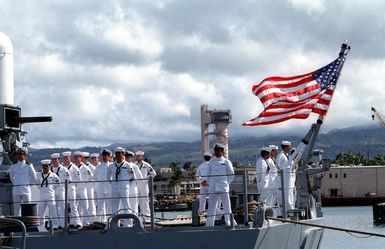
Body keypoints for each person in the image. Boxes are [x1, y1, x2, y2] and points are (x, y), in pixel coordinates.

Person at [205, 143, 235, 227]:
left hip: (223, 187)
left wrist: (226, 183)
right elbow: (208, 174)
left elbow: (231, 174)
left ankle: (229, 222)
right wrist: (209, 183)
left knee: (227, 206)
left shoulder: (226, 161)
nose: (216, 152)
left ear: (222, 151)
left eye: (218, 151)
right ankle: (209, 224)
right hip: (213, 187)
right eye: (215, 151)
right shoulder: (211, 162)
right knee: (211, 207)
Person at [107, 147, 136, 227]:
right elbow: (108, 178)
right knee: (114, 208)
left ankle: (128, 225)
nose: (119, 155)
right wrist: (113, 185)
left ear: (123, 154)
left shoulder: (128, 165)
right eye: (117, 153)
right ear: (115, 154)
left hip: (124, 188)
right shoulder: (111, 166)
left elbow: (133, 177)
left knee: (126, 207)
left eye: (120, 153)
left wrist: (127, 185)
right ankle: (115, 225)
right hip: (115, 188)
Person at [9, 147, 37, 216]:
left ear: (25, 155)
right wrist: (15, 184)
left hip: (26, 189)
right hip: (16, 190)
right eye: (19, 154)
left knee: (27, 208)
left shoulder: (29, 165)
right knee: (16, 210)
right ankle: (18, 225)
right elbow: (11, 177)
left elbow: (34, 177)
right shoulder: (13, 166)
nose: (20, 155)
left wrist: (28, 185)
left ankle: (27, 225)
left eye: (22, 154)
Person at [37, 159, 60, 230]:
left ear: (49, 166)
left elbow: (58, 184)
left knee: (53, 211)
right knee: (41, 212)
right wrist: (41, 189)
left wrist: (52, 190)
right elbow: (37, 183)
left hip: (50, 196)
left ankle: (55, 224)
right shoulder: (39, 175)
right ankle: (41, 225)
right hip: (42, 196)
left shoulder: (53, 175)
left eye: (46, 166)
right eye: (44, 166)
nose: (45, 167)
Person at [62, 151, 82, 228]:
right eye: (64, 158)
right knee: (63, 206)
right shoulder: (62, 167)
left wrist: (75, 188)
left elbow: (79, 180)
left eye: (67, 157)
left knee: (73, 205)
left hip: (72, 187)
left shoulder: (74, 168)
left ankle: (77, 222)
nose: (66, 159)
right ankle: (67, 222)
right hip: (64, 188)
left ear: (70, 158)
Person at [50, 153, 70, 229]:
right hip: (53, 190)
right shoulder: (50, 169)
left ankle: (63, 223)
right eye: (53, 159)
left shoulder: (64, 169)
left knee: (62, 208)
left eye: (56, 159)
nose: (55, 161)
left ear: (59, 159)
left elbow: (68, 180)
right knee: (53, 208)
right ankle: (55, 224)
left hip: (61, 190)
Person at [135, 151, 156, 221]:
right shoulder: (134, 165)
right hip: (136, 185)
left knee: (145, 201)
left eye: (140, 156)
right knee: (135, 202)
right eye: (137, 156)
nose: (138, 157)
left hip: (144, 185)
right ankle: (135, 218)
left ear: (142, 157)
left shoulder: (146, 165)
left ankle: (147, 219)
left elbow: (153, 173)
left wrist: (146, 179)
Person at [74, 151, 93, 225]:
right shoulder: (73, 167)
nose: (76, 159)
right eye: (75, 157)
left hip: (82, 189)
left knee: (85, 205)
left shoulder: (85, 167)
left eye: (78, 157)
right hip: (75, 189)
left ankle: (86, 221)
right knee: (76, 207)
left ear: (81, 158)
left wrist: (85, 184)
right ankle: (77, 222)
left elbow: (91, 176)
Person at [94, 149, 112, 222]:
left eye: (106, 156)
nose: (105, 157)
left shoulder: (112, 166)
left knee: (109, 205)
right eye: (104, 156)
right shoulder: (99, 166)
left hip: (109, 187)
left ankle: (110, 221)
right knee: (100, 205)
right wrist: (99, 180)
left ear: (109, 157)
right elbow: (94, 176)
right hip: (101, 187)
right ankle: (98, 221)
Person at [277, 141, 295, 213]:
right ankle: (289, 211)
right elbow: (280, 168)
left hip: (288, 179)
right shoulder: (282, 156)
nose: (290, 148)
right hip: (285, 179)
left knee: (289, 194)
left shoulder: (285, 155)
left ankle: (289, 209)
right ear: (285, 147)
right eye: (289, 146)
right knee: (287, 195)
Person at [125, 150, 143, 216]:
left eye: (128, 157)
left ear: (131, 157)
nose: (127, 158)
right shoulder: (122, 166)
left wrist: (136, 185)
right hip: (125, 190)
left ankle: (135, 219)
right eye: (126, 156)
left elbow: (140, 178)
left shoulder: (134, 166)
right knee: (126, 207)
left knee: (134, 206)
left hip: (133, 189)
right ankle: (127, 219)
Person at [82, 152, 97, 223]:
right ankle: (85, 218)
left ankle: (93, 218)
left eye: (84, 158)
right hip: (82, 187)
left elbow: (95, 178)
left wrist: (91, 186)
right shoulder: (80, 166)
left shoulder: (91, 167)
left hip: (90, 187)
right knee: (84, 203)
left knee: (91, 202)